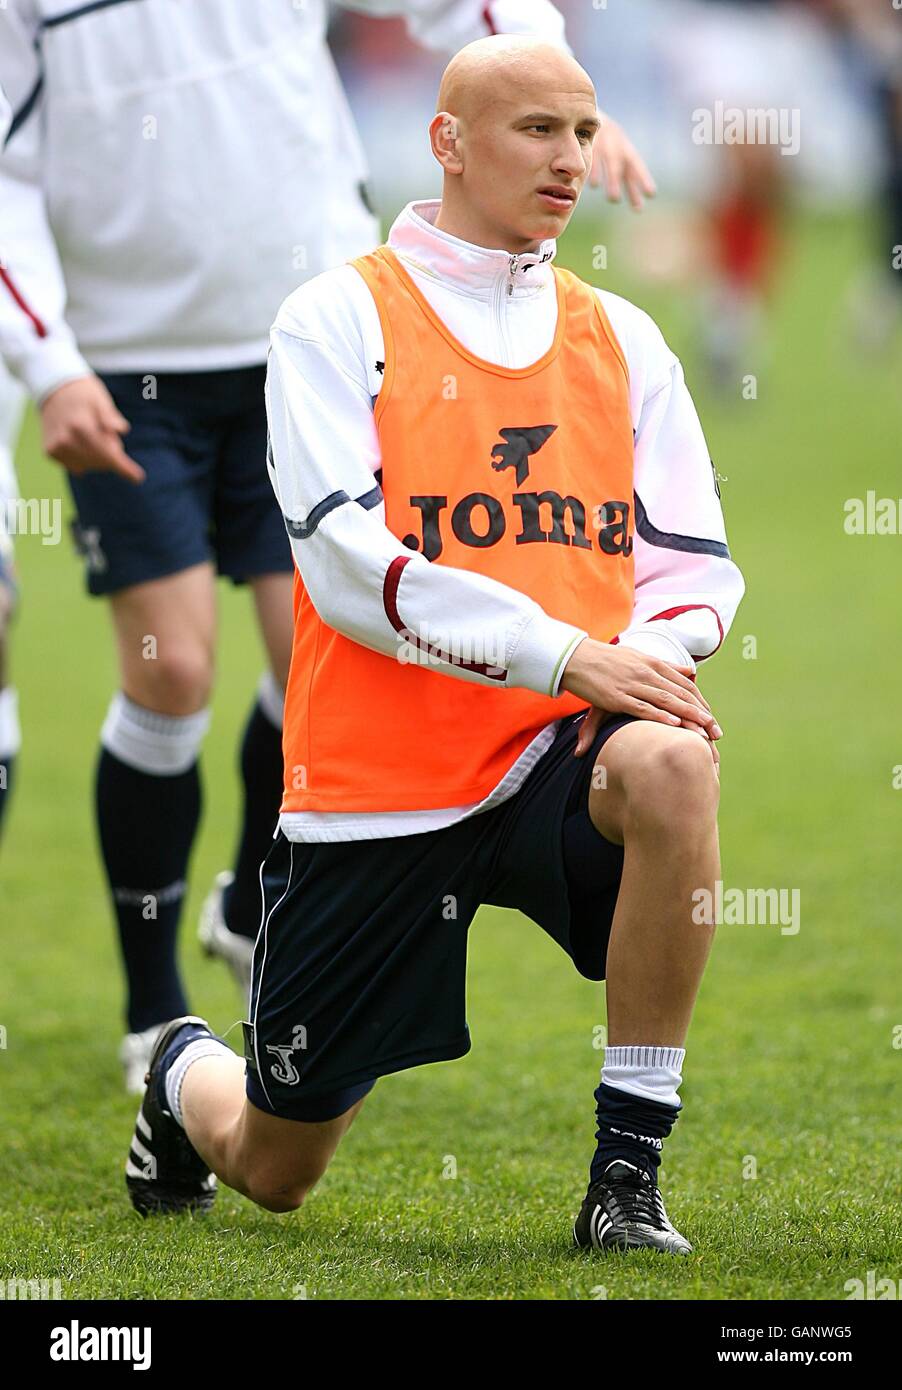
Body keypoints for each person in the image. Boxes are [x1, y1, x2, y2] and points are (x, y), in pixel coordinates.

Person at [125, 35, 745, 1254]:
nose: (568, 159)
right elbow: (351, 571)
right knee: (276, 1165)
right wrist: (565, 652)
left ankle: (626, 1176)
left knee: (673, 757)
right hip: (378, 788)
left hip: (556, 757)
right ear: (446, 141)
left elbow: (692, 565)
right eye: (535, 131)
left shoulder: (621, 336)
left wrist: (649, 657)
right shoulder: (331, 316)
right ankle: (180, 1071)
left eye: (581, 132)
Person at [0, 0, 652, 1092]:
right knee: (177, 673)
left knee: (316, 650)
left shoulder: (333, 319)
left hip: (310, 339)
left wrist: (557, 85)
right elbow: (9, 174)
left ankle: (252, 905)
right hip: (124, 366)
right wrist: (47, 359)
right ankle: (152, 998)